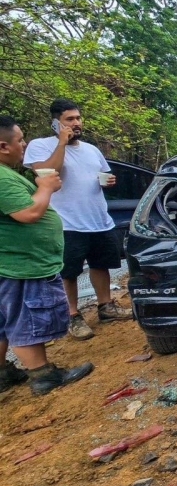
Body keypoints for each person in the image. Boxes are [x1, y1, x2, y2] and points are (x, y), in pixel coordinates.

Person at [0, 115, 94, 395]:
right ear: (3, 146)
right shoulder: (2, 178)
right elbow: (29, 213)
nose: (24, 144)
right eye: (20, 140)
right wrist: (45, 188)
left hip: (11, 264)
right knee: (25, 317)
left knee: (4, 320)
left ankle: (2, 373)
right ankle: (43, 375)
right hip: (21, 266)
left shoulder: (7, 173)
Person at [24, 99, 132, 340]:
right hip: (66, 221)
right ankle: (72, 316)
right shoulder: (40, 146)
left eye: (78, 118)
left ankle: (106, 306)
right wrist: (62, 142)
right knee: (68, 271)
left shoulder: (91, 150)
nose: (76, 123)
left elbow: (100, 176)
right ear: (55, 123)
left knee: (100, 264)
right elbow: (49, 174)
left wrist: (108, 182)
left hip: (98, 219)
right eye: (69, 119)